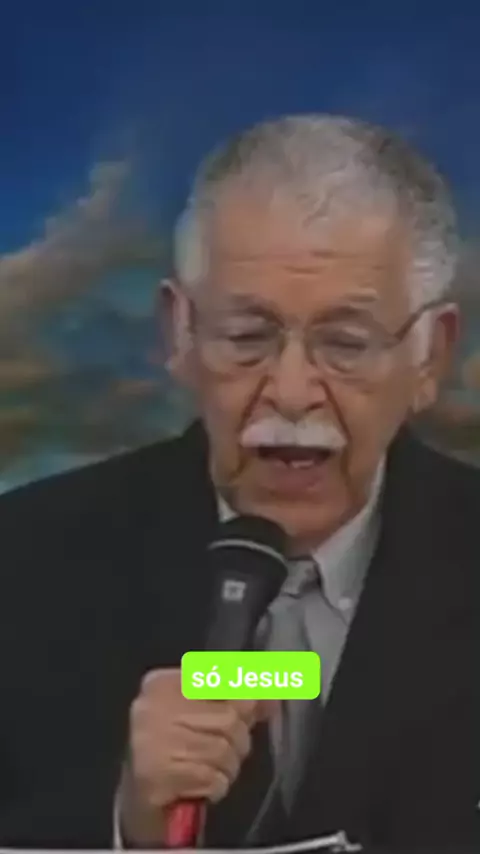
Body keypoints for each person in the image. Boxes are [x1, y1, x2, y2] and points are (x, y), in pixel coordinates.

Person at [0, 114, 477, 853]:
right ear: (179, 332)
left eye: (345, 344)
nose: (291, 392)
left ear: (429, 356)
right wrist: (124, 829)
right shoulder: (22, 562)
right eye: (247, 337)